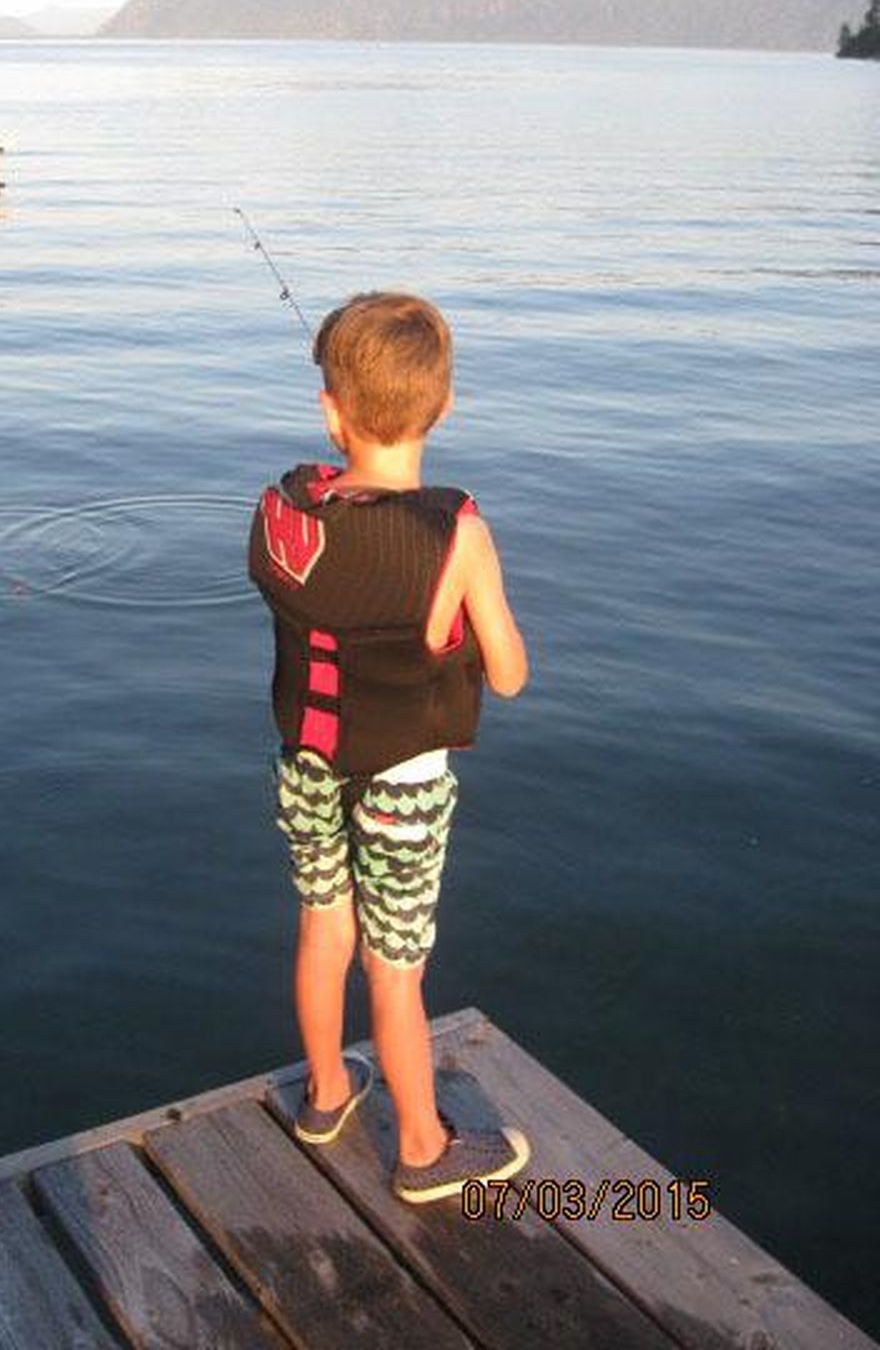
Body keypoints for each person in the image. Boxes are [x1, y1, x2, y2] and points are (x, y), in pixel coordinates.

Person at [248, 291, 531, 1203]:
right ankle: (421, 1149)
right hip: (404, 785)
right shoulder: (460, 534)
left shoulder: (279, 515)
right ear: (443, 408)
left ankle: (327, 1094)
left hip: (306, 766)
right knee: (396, 968)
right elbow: (512, 672)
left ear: (331, 413)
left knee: (323, 927)